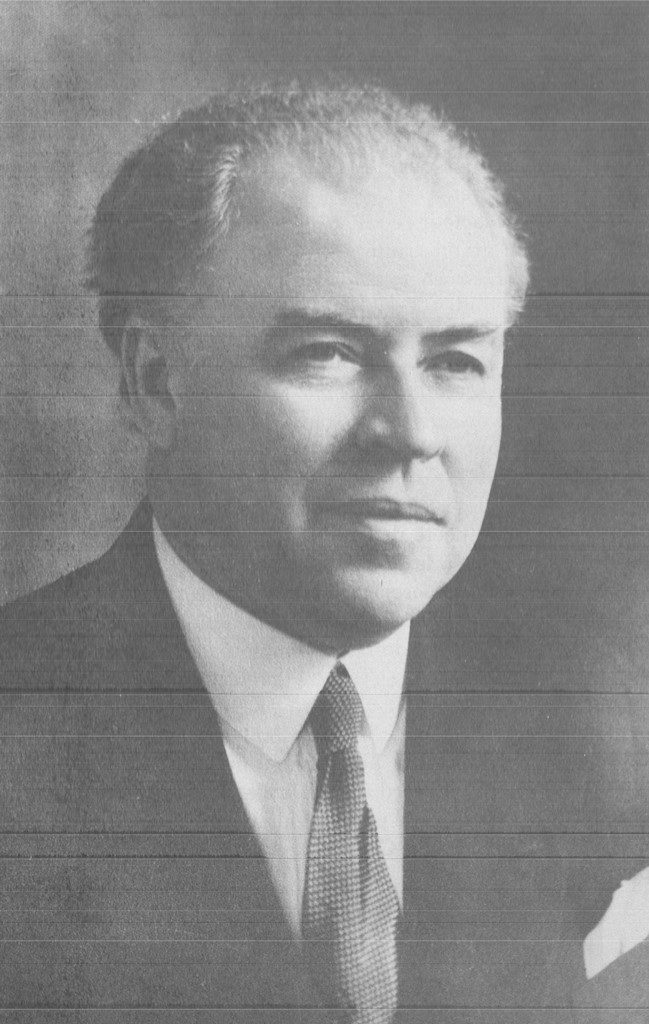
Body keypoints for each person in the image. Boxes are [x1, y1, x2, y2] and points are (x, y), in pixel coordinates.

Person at [1, 86, 631, 1020]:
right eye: (328, 352)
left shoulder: (596, 764)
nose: (410, 432)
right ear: (155, 381)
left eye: (456, 361)